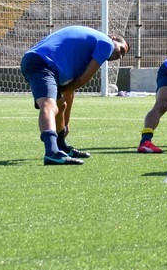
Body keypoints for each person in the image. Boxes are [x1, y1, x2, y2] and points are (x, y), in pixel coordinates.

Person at [19, 25, 129, 165]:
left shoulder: (85, 50)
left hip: (42, 62)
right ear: (113, 38)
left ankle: (61, 146)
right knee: (49, 106)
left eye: (122, 56)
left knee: (60, 105)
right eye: (121, 50)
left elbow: (71, 90)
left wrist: (66, 125)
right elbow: (83, 80)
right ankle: (52, 152)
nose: (119, 56)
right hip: (42, 63)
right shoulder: (106, 43)